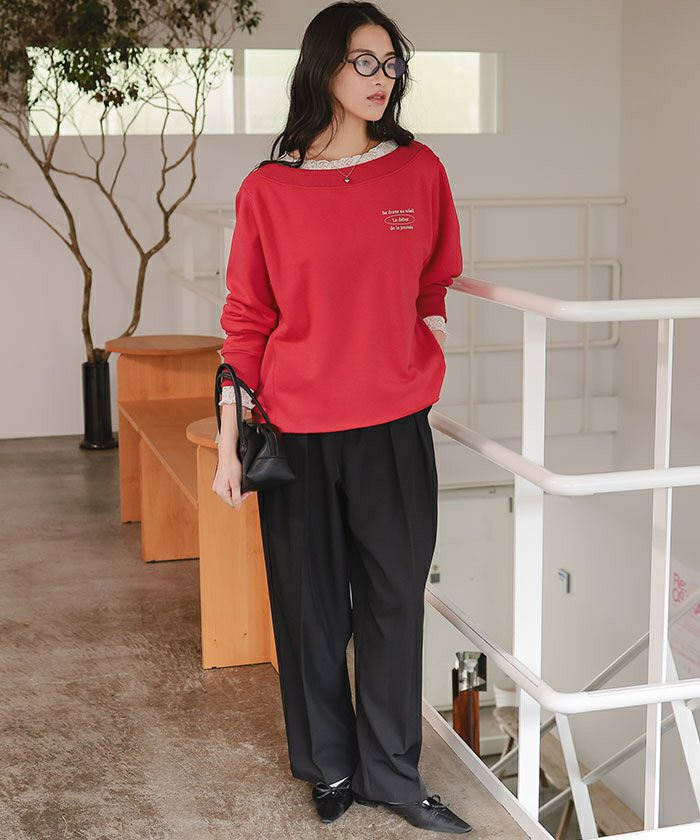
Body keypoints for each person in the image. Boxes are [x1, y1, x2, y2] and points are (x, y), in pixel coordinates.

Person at [212, 2, 473, 834]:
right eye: (365, 61)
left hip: (395, 425)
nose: (381, 77)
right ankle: (328, 767)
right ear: (324, 66)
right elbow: (246, 320)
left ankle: (393, 775)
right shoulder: (268, 190)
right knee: (311, 608)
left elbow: (434, 278)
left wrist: (425, 344)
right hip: (297, 430)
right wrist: (228, 444)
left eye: (391, 64)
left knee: (396, 601)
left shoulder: (418, 171)